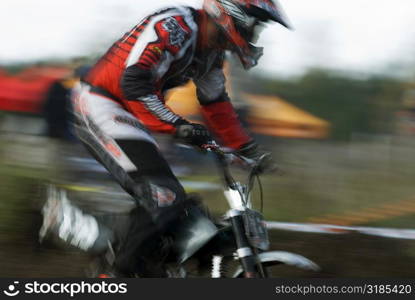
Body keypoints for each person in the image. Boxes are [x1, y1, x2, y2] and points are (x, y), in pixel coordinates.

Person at [42, 0, 291, 277]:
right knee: (163, 195)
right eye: (254, 26)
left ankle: (119, 248)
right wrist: (178, 125)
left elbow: (216, 104)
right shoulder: (175, 26)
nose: (254, 35)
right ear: (231, 14)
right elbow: (134, 83)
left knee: (175, 209)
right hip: (102, 103)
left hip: (130, 114)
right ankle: (116, 275)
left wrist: (248, 149)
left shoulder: (211, 53)